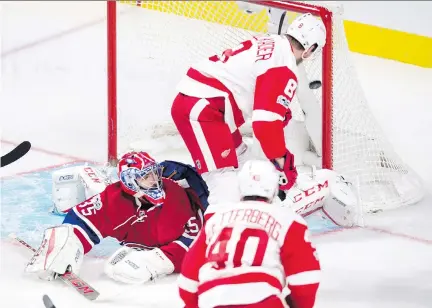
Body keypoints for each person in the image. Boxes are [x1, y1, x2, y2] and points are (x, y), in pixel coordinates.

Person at [171, 13, 326, 204]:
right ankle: (219, 232)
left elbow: (255, 81)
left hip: (214, 107)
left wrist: (277, 109)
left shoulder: (271, 41)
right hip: (202, 109)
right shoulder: (283, 66)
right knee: (224, 186)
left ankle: (255, 214)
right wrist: (283, 162)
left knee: (247, 165)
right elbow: (265, 126)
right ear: (309, 49)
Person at [25, 151, 208, 284]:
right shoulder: (114, 200)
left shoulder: (175, 196)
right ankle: (83, 178)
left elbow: (198, 238)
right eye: (146, 176)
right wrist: (64, 244)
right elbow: (82, 220)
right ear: (130, 181)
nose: (154, 180)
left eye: (154, 173)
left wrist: (158, 261)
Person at [178, 160, 321, 308]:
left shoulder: (216, 220)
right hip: (263, 301)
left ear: (240, 187)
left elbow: (188, 277)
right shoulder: (289, 221)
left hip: (214, 299)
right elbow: (305, 279)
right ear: (274, 188)